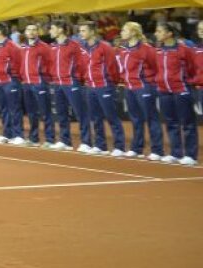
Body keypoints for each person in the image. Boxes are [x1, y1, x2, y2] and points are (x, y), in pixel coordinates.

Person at [151, 22, 197, 166]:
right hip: (164, 91)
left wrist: (188, 81)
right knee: (171, 123)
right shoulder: (158, 50)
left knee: (187, 124)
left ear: (169, 33)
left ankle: (190, 155)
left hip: (181, 90)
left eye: (159, 31)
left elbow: (194, 67)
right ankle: (176, 153)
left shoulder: (184, 50)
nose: (156, 34)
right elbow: (156, 68)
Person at [115, 21, 162, 160]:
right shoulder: (123, 49)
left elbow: (156, 67)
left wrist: (150, 83)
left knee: (151, 118)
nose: (121, 32)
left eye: (124, 30)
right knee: (136, 119)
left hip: (144, 87)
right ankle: (137, 148)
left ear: (134, 32)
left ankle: (157, 150)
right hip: (129, 88)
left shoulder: (147, 49)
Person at [77, 21, 125, 156]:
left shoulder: (105, 47)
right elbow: (83, 66)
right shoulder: (83, 48)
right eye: (80, 31)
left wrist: (112, 83)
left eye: (83, 31)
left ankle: (119, 147)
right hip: (90, 87)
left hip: (104, 86)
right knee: (96, 118)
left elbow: (113, 67)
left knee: (112, 117)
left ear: (92, 31)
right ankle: (100, 145)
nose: (81, 34)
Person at [47, 21, 86, 151]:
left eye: (52, 28)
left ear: (60, 30)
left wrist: (76, 78)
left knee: (80, 113)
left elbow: (82, 63)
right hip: (57, 84)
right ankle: (65, 141)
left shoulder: (74, 45)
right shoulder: (52, 46)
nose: (49, 31)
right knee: (61, 114)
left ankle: (86, 142)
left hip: (71, 83)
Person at [16, 24, 53, 148]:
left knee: (45, 112)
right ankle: (34, 138)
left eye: (34, 30)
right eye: (29, 30)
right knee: (31, 113)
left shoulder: (44, 47)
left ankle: (50, 139)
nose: (31, 32)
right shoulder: (23, 47)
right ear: (25, 32)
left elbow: (50, 63)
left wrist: (45, 78)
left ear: (38, 32)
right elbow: (20, 64)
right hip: (26, 83)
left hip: (39, 82)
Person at [0, 23, 22, 145]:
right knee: (4, 110)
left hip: (10, 81)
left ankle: (18, 135)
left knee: (14, 109)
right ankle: (8, 134)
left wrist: (13, 76)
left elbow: (18, 63)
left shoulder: (12, 46)